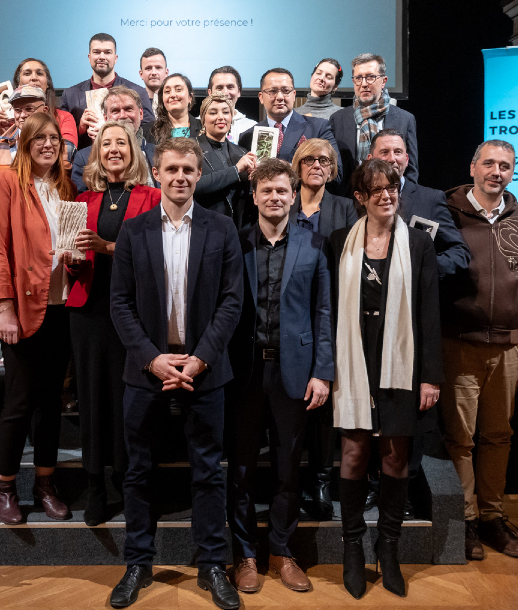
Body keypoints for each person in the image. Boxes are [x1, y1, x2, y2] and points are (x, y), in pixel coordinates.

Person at [108, 137, 243, 610]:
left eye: (189, 169)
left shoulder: (222, 229)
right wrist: (153, 358)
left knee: (208, 473)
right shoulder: (134, 231)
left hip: (205, 370)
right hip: (147, 370)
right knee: (138, 472)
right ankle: (137, 564)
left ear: (198, 174)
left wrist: (200, 358)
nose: (181, 177)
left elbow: (232, 303)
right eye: (172, 170)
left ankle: (211, 566)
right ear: (157, 174)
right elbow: (120, 304)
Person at [330, 159, 442, 599]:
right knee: (355, 455)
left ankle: (389, 547)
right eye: (375, 189)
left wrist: (431, 378)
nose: (386, 195)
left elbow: (429, 312)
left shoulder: (418, 243)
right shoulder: (339, 242)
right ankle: (353, 547)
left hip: (402, 363)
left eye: (392, 187)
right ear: (359, 197)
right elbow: (330, 310)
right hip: (352, 361)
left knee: (395, 457)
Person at [227, 158, 332, 595]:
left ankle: (282, 551)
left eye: (281, 191)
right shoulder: (234, 243)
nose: (274, 198)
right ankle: (246, 554)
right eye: (265, 191)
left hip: (295, 373)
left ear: (294, 196)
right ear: (253, 197)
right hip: (245, 373)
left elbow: (324, 311)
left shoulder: (315, 245)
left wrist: (323, 373)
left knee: (289, 469)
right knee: (242, 469)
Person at [0, 113, 77, 524]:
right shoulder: (5, 181)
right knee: (19, 402)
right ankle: (5, 487)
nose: (47, 145)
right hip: (19, 308)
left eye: (54, 138)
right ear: (25, 142)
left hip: (60, 306)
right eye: (39, 138)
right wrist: (4, 306)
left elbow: (68, 240)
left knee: (50, 405)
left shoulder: (65, 185)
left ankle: (45, 484)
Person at [441, 139, 518, 561]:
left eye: (506, 166)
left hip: (506, 348)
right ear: (473, 167)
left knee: (499, 435)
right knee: (461, 439)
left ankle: (493, 518)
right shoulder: (447, 212)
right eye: (490, 164)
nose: (498, 172)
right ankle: (466, 521)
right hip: (460, 342)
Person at [65, 121, 161, 525]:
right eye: (106, 144)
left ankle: (127, 479)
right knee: (90, 400)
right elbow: (72, 256)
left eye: (121, 142)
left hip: (133, 315)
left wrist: (105, 247)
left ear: (134, 151)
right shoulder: (81, 199)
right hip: (88, 312)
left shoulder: (152, 196)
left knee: (129, 399)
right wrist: (70, 259)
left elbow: (153, 250)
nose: (114, 150)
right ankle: (93, 483)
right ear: (97, 154)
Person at [288, 137, 357, 518]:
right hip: (291, 313)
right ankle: (291, 479)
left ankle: (319, 480)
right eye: (310, 159)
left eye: (325, 161)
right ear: (297, 165)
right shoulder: (284, 202)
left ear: (333, 170)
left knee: (323, 404)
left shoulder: (347, 209)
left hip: (332, 314)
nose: (317, 165)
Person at [369, 129, 470, 278]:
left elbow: (459, 252)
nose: (392, 159)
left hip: (415, 297)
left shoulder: (431, 199)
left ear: (407, 159)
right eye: (384, 152)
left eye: (398, 152)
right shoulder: (358, 199)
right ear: (369, 159)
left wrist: (422, 268)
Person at [330, 53, 418, 193]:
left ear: (383, 81)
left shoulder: (404, 119)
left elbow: (411, 170)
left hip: (390, 199)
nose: (364, 84)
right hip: (350, 201)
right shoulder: (338, 119)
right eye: (358, 78)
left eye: (370, 77)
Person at [239, 68, 341, 185]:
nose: (280, 97)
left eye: (285, 90)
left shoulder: (318, 128)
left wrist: (293, 169)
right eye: (272, 91)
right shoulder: (248, 136)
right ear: (261, 97)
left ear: (294, 95)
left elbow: (336, 173)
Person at [0, 85, 52, 219]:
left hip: (49, 231)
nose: (23, 115)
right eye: (18, 110)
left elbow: (70, 192)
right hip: (6, 233)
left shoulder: (61, 147)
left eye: (29, 109)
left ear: (45, 110)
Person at [0, 58, 78, 160]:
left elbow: (67, 156)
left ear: (47, 84)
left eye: (39, 73)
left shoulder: (63, 117)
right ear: (18, 84)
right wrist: (1, 137)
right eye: (27, 73)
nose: (34, 78)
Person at [70, 86, 156, 194]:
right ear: (105, 118)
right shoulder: (83, 158)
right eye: (115, 111)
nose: (123, 116)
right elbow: (81, 204)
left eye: (128, 109)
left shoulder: (160, 154)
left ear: (141, 113)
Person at [62, 33, 154, 131]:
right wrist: (80, 129)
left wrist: (119, 134)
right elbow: (61, 136)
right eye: (96, 52)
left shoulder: (138, 92)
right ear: (89, 57)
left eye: (107, 52)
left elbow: (150, 132)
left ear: (115, 58)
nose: (102, 57)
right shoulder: (70, 95)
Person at [195, 91, 256, 219]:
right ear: (203, 119)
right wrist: (236, 170)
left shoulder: (242, 152)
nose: (221, 117)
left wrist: (255, 178)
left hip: (239, 228)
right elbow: (193, 186)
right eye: (213, 113)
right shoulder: (191, 149)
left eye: (226, 112)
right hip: (205, 224)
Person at [207, 66, 257, 140]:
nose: (225, 92)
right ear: (210, 93)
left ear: (239, 92)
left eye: (230, 87)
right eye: (219, 88)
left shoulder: (251, 127)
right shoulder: (197, 125)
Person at [149, 73, 202, 143]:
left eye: (178, 89)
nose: (172, 95)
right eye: (167, 91)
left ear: (190, 97)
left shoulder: (204, 128)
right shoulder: (150, 130)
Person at [138, 47, 168, 115]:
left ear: (166, 73)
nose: (154, 72)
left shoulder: (174, 102)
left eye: (158, 68)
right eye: (148, 68)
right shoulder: (133, 103)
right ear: (141, 74)